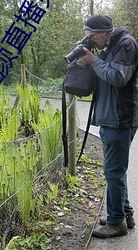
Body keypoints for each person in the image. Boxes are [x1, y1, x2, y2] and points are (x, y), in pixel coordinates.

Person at [80, 15, 138, 238]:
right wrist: (90, 60)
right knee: (115, 171)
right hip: (110, 117)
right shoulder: (109, 46)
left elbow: (117, 77)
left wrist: (93, 61)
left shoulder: (126, 44)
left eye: (92, 37)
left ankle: (116, 223)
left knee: (113, 171)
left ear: (104, 32)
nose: (91, 41)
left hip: (120, 118)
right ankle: (125, 214)